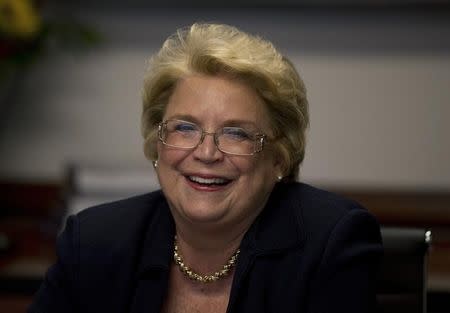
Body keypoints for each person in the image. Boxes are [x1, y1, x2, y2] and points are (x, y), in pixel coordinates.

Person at [29, 23, 383, 313]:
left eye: (236, 133)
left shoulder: (330, 243)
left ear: (279, 156)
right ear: (157, 142)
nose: (207, 153)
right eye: (185, 128)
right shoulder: (94, 242)